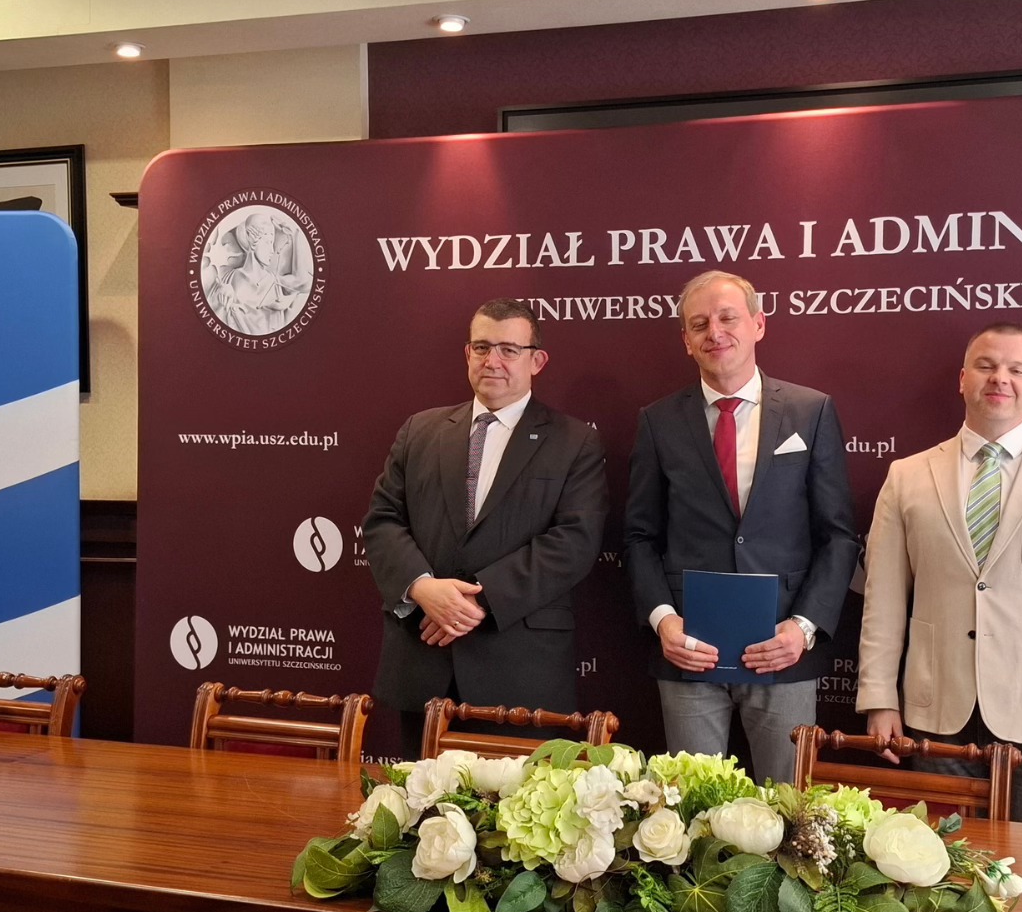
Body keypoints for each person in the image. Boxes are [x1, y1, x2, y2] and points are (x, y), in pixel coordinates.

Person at [855, 324, 1022, 826]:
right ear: (963, 379)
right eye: (986, 366)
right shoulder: (907, 476)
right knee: (938, 864)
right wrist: (879, 698)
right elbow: (884, 599)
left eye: (1016, 369)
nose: (1000, 378)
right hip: (937, 711)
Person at [625, 270, 859, 782]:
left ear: (758, 324)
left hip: (783, 649)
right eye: (699, 324)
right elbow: (640, 537)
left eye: (728, 318)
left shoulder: (811, 411)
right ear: (686, 340)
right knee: (689, 808)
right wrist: (664, 621)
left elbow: (839, 535)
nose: (715, 332)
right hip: (689, 651)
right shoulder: (658, 421)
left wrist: (803, 628)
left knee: (790, 807)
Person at [362, 299, 609, 758]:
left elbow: (574, 541)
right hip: (424, 661)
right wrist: (422, 589)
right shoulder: (420, 431)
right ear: (467, 354)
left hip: (520, 672)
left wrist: (476, 601)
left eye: (509, 350)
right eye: (481, 347)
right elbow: (383, 520)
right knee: (422, 802)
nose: (492, 361)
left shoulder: (574, 441)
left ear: (537, 361)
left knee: (518, 803)